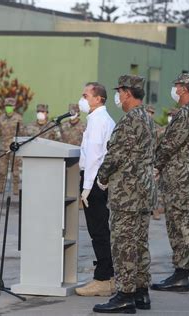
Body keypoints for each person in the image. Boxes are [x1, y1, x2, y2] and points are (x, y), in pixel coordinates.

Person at [94, 75, 156, 313]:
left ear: (128, 93)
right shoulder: (148, 119)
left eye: (119, 92)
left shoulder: (130, 120)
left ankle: (125, 295)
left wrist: (101, 177)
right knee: (139, 243)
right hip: (143, 192)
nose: (118, 96)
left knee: (123, 245)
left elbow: (115, 155)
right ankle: (141, 293)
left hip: (127, 194)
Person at [151, 73, 189, 293]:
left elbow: (168, 145)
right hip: (188, 175)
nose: (174, 88)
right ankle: (181, 272)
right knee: (183, 224)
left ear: (184, 89)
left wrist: (156, 165)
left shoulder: (185, 114)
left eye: (176, 85)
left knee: (180, 226)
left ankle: (182, 275)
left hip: (179, 179)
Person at [75, 82, 116, 297]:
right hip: (97, 180)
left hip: (94, 181)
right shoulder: (98, 119)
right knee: (99, 229)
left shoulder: (99, 121)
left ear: (98, 98)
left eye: (85, 95)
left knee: (98, 231)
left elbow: (94, 157)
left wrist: (87, 188)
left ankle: (103, 279)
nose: (82, 99)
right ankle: (106, 276)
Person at [0, 97, 23, 195]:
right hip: (3, 147)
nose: (8, 108)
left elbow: (22, 132)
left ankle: (15, 189)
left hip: (14, 147)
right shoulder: (0, 118)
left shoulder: (18, 118)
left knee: (15, 170)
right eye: (7, 106)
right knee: (2, 170)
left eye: (10, 106)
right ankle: (0, 187)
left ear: (14, 106)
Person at [146, 105, 165, 221]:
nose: (149, 115)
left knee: (153, 188)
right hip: (139, 162)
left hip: (152, 161)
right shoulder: (138, 126)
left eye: (151, 113)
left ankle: (155, 211)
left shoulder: (157, 128)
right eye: (148, 112)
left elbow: (163, 146)